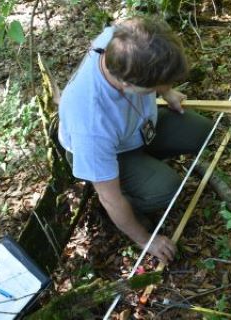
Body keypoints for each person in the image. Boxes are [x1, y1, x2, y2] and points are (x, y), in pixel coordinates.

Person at [58, 17, 214, 262]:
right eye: (154, 87)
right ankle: (131, 198)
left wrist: (167, 92)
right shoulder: (90, 121)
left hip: (139, 126)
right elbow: (109, 197)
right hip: (116, 153)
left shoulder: (122, 40)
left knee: (202, 132)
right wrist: (145, 240)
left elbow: (156, 60)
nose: (160, 87)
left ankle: (146, 164)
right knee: (165, 190)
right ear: (126, 83)